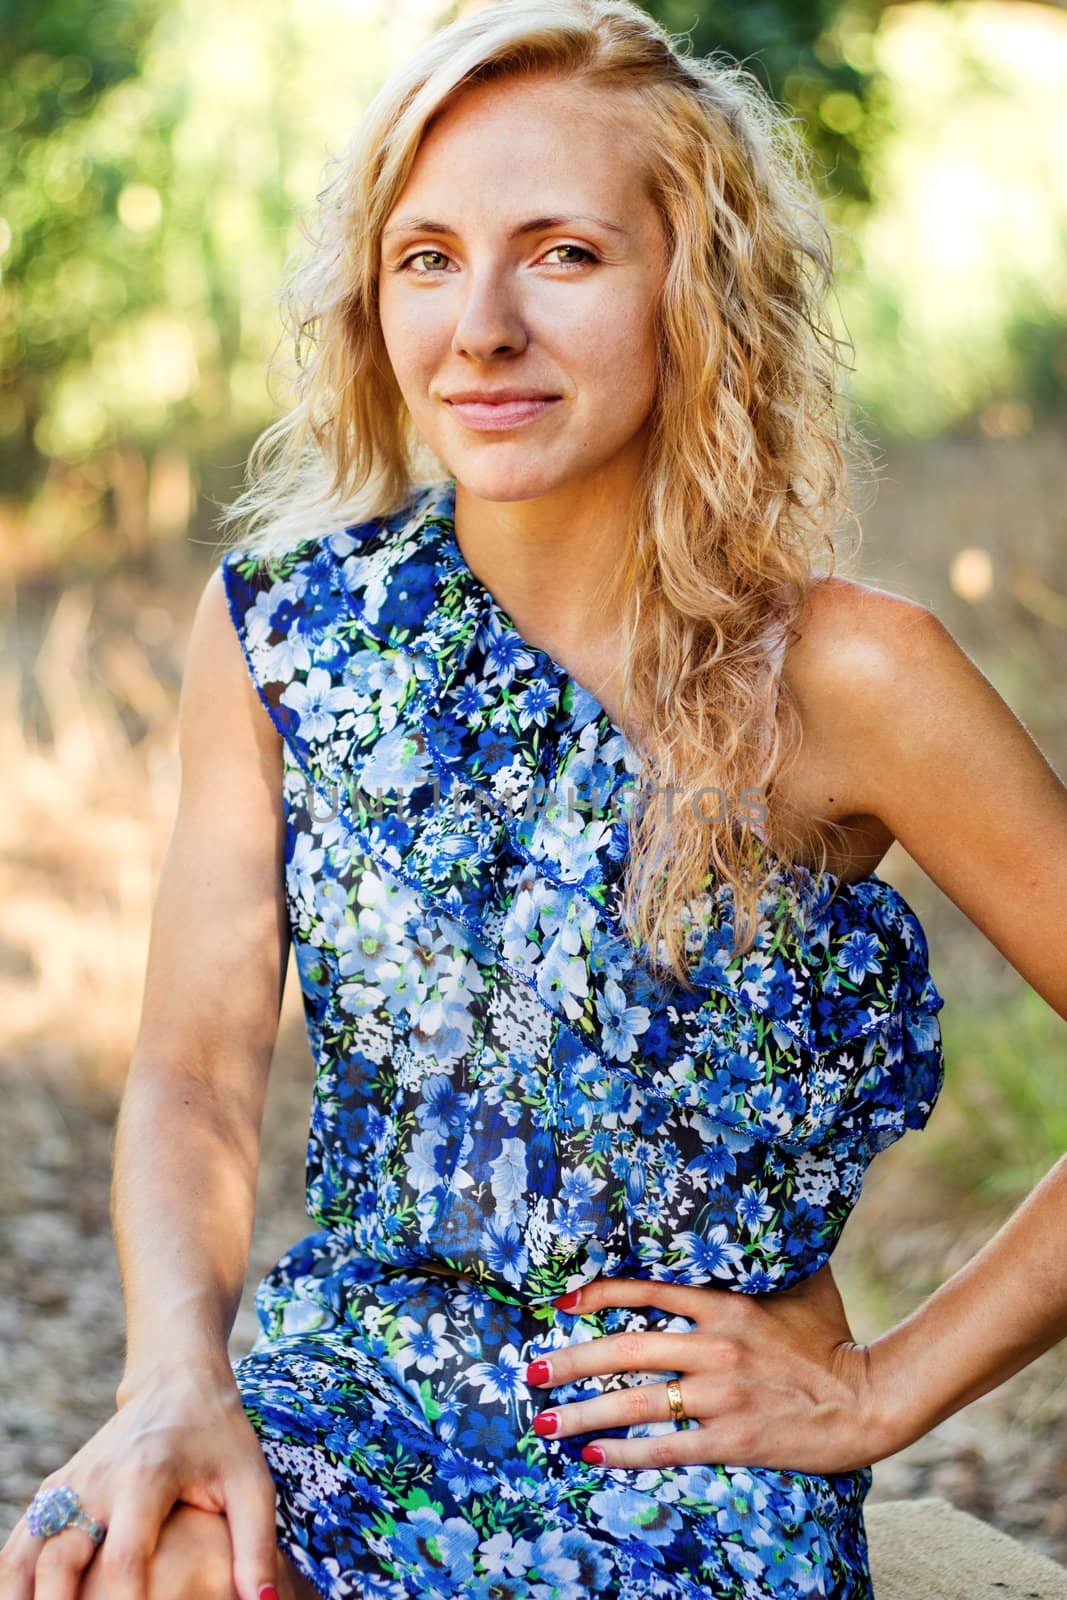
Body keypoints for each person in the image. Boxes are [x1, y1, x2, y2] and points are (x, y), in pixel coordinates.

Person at [4, 0, 1067, 1596]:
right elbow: (195, 1074)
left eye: (562, 253)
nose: (481, 327)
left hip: (674, 1444)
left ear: (694, 290)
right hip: (353, 1379)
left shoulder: (851, 677)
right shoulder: (286, 630)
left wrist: (882, 1385)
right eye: (427, 257)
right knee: (125, 1560)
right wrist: (173, 1379)